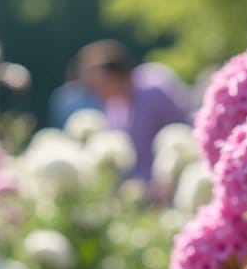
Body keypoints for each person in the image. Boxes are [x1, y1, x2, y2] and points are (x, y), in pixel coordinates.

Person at [77, 40, 191, 182]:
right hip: (144, 191)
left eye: (96, 84)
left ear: (113, 75)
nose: (94, 92)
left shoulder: (154, 89)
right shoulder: (115, 108)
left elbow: (183, 132)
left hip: (176, 179)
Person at [48, 57, 104, 128]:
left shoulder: (109, 96)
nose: (95, 75)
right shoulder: (64, 97)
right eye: (91, 71)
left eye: (98, 72)